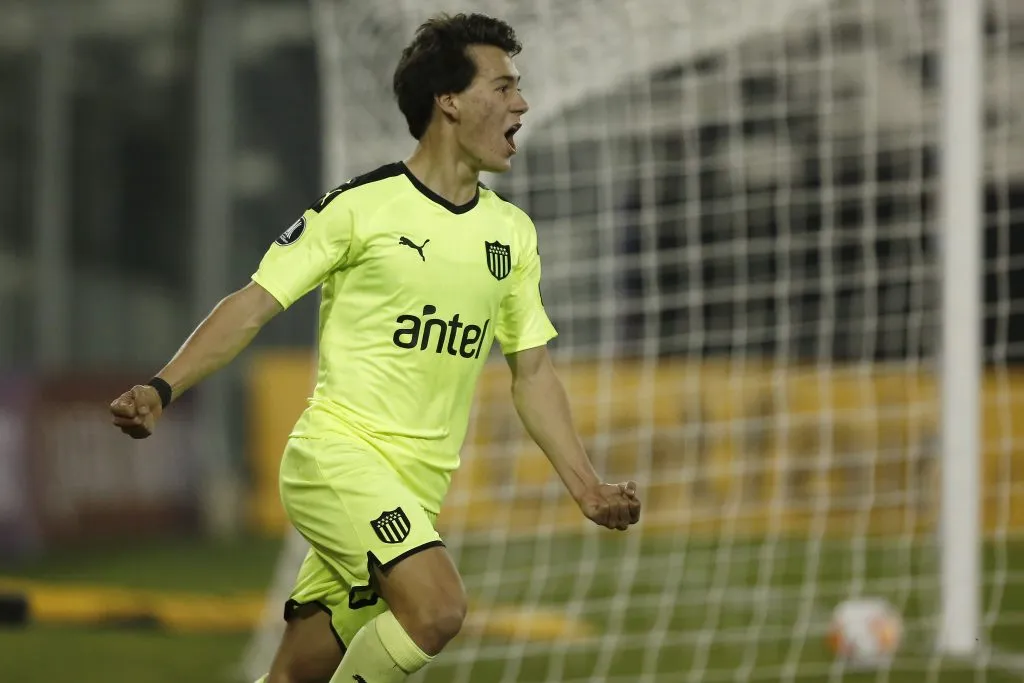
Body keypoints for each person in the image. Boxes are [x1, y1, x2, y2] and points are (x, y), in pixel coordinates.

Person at [109, 12, 641, 683]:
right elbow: (252, 304)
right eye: (503, 87)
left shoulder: (513, 236)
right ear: (450, 101)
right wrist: (162, 388)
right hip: (337, 461)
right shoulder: (361, 208)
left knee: (293, 676)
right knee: (438, 607)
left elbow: (531, 370)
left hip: (415, 490)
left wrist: (586, 484)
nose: (522, 103)